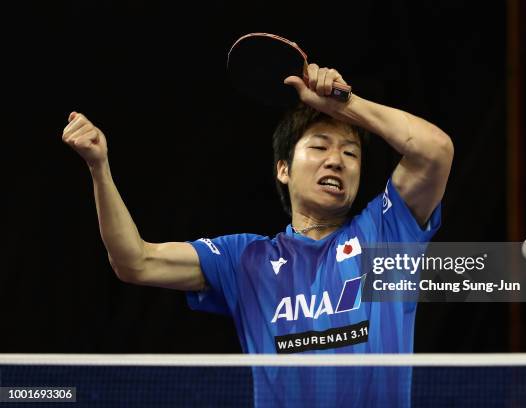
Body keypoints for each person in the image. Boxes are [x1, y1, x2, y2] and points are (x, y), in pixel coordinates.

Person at [62, 63, 453, 407]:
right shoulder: (244, 259)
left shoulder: (385, 234)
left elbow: (434, 150)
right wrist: (99, 167)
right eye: (319, 146)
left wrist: (343, 105)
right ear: (283, 169)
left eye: (351, 154)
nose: (336, 159)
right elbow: (135, 261)